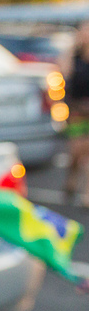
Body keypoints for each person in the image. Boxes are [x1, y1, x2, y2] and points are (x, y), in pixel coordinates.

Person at [61, 21, 89, 203]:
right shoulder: (74, 58)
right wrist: (72, 48)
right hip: (76, 111)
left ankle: (87, 194)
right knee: (76, 153)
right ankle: (72, 177)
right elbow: (64, 72)